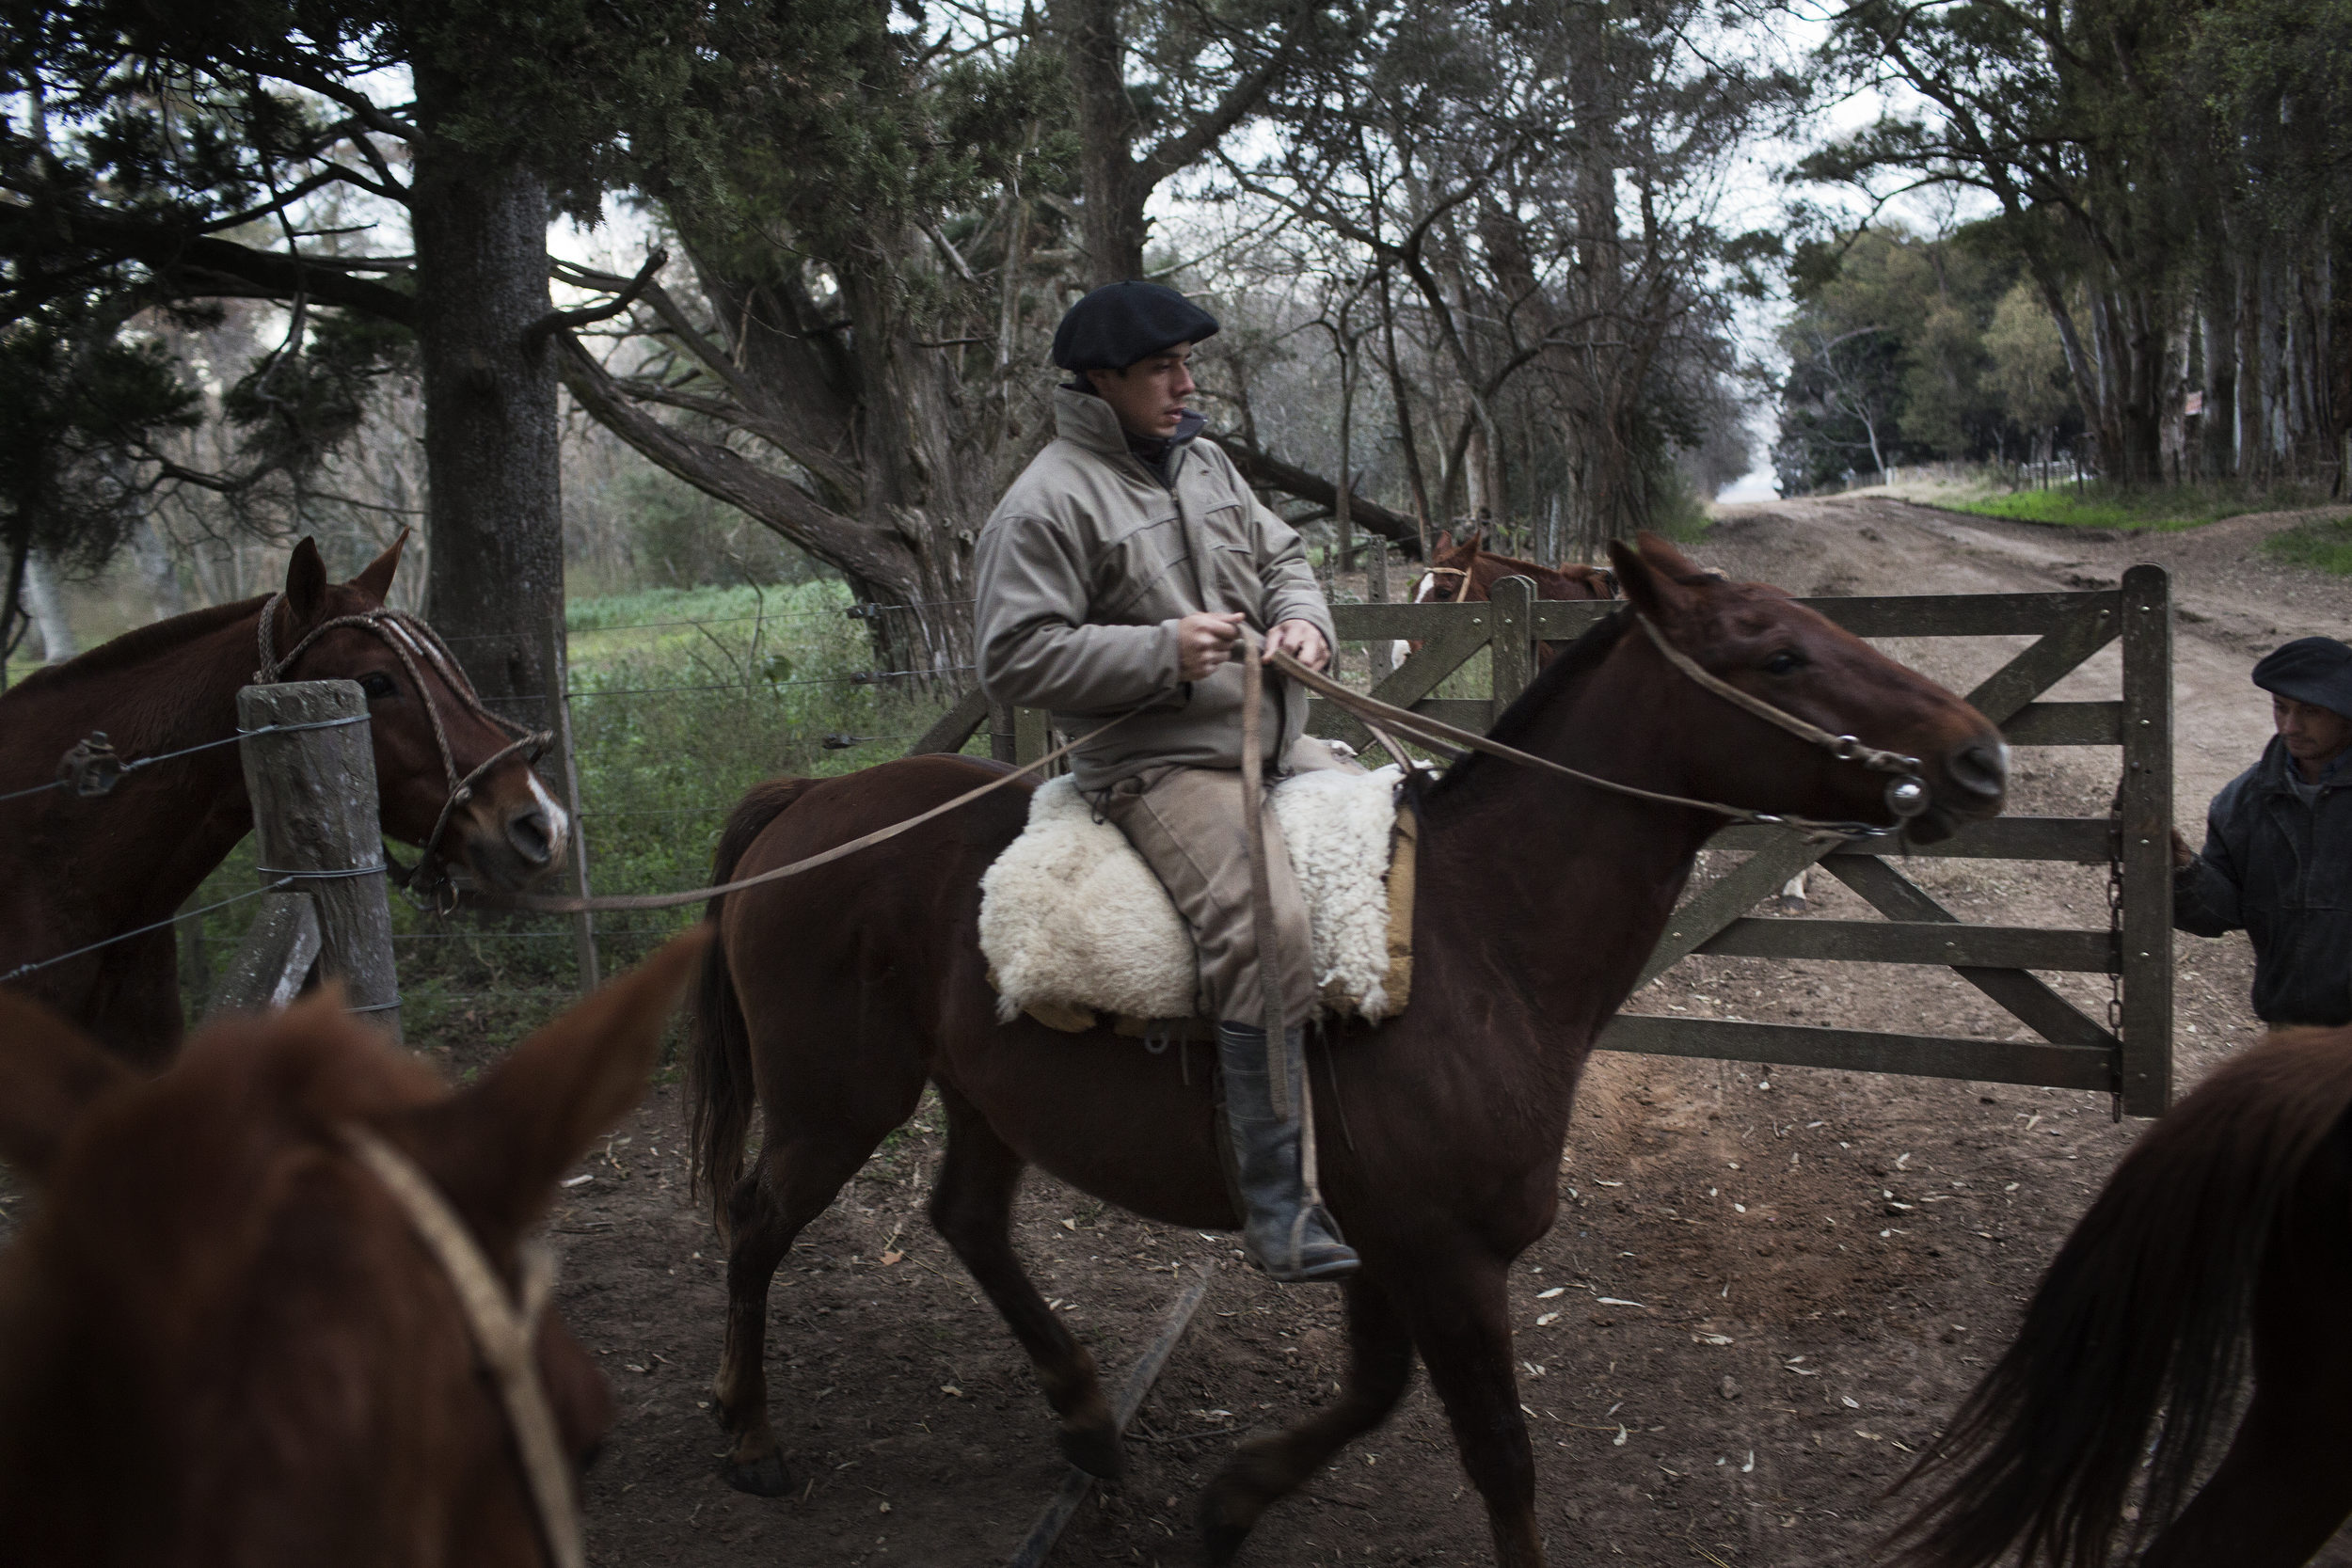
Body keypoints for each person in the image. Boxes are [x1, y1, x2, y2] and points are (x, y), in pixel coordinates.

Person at [972, 280, 1359, 1283]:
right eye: (1163, 369)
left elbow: (1287, 557)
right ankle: (1278, 1202)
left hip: (1270, 738)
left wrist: (1306, 619)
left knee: (1408, 833)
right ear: (1101, 380)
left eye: (1188, 365)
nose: (1186, 385)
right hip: (1157, 764)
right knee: (1264, 922)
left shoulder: (1206, 462)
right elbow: (1014, 657)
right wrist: (1158, 648)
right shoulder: (1045, 501)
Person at [2173, 636, 2352, 1027]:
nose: (2290, 726)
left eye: (2310, 711)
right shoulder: (2243, 802)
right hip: (2291, 1035)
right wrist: (2183, 871)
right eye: (2280, 707)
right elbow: (2221, 912)